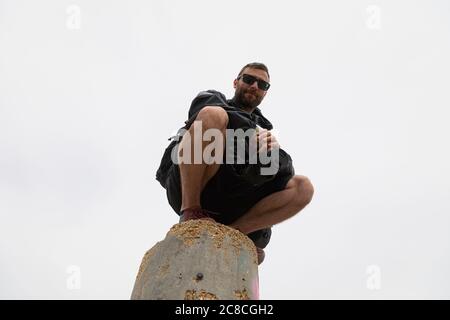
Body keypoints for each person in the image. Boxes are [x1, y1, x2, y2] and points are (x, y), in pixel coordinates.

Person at [156, 62, 314, 264]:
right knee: (213, 115)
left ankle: (235, 234)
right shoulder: (211, 99)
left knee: (303, 187)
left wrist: (274, 153)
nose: (255, 86)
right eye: (249, 79)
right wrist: (252, 135)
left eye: (262, 85)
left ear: (265, 93)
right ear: (236, 82)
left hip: (232, 196)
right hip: (199, 182)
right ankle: (191, 211)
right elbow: (208, 115)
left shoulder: (262, 134)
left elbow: (282, 173)